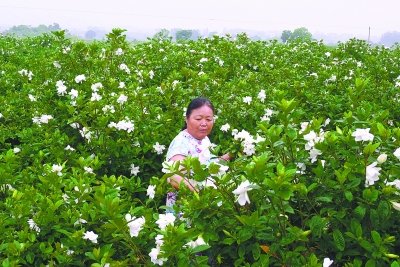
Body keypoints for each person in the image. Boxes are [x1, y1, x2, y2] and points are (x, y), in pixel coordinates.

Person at [164, 97, 230, 212]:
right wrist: (197, 194)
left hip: (203, 206)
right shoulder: (181, 142)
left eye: (209, 119)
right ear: (187, 119)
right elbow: (172, 175)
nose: (204, 124)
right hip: (186, 210)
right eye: (198, 119)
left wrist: (232, 154)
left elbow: (209, 164)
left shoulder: (204, 139)